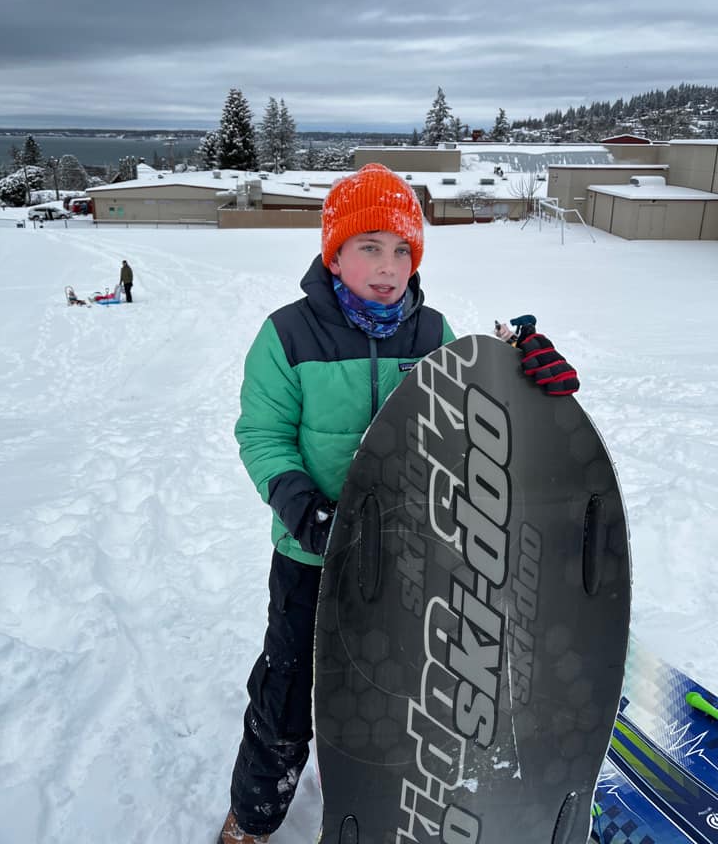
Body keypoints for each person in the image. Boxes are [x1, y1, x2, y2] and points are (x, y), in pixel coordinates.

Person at [218, 163, 579, 843]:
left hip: (408, 557)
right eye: (369, 247)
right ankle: (255, 815)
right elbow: (261, 435)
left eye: (403, 250)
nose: (388, 267)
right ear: (334, 252)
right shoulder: (288, 335)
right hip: (312, 555)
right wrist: (301, 507)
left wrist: (523, 378)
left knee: (393, 689)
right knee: (288, 695)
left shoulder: (431, 333)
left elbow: (473, 420)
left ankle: (368, 783)